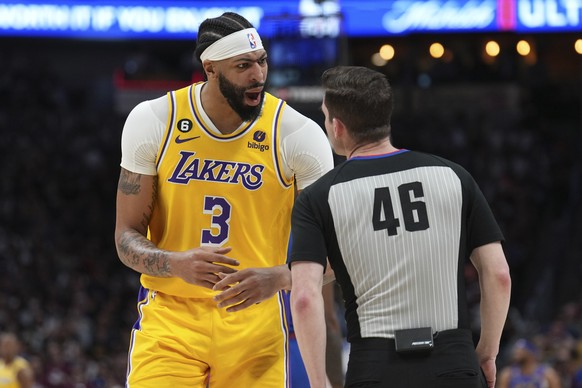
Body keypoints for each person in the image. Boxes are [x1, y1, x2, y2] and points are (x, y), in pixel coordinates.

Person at [114, 12, 334, 387]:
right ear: (210, 68)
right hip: (171, 321)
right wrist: (173, 264)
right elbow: (125, 236)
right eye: (243, 65)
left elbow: (336, 253)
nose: (258, 75)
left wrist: (279, 277)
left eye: (262, 60)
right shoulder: (155, 120)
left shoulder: (298, 135)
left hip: (256, 324)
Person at [288, 66, 512, 388]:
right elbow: (499, 275)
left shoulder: (317, 197)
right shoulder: (454, 176)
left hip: (375, 368)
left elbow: (305, 298)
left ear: (337, 126)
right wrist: (487, 352)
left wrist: (319, 382)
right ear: (385, 116)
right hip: (453, 361)